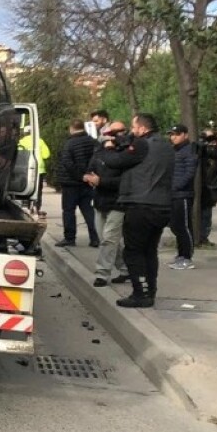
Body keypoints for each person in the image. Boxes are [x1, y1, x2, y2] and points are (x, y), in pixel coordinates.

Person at [99, 113, 174, 308]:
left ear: (142, 129)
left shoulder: (142, 144)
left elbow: (116, 161)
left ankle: (140, 293)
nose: (132, 131)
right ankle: (150, 290)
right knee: (150, 251)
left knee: (133, 252)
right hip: (162, 206)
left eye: (134, 128)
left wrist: (107, 148)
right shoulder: (166, 145)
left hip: (141, 205)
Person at [84, 122, 130, 287]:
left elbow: (126, 181)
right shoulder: (99, 152)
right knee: (106, 239)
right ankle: (126, 269)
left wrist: (101, 181)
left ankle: (102, 273)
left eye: (117, 132)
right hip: (100, 201)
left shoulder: (127, 153)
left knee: (110, 239)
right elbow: (90, 168)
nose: (113, 136)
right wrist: (89, 177)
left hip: (118, 203)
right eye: (111, 133)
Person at [56, 120, 99, 248]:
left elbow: (67, 163)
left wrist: (81, 176)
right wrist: (90, 175)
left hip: (71, 183)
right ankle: (95, 238)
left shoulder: (70, 144)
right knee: (88, 210)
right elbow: (98, 159)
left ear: (71, 128)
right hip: (88, 183)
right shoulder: (93, 142)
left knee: (69, 210)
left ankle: (70, 238)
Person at [167, 124, 198, 270]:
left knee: (184, 227)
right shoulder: (173, 151)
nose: (173, 137)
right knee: (176, 226)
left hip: (183, 195)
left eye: (176, 134)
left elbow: (189, 173)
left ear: (185, 135)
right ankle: (180, 255)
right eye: (172, 134)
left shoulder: (189, 150)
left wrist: (176, 186)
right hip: (173, 195)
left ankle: (187, 257)